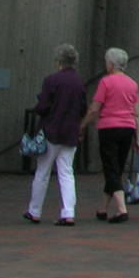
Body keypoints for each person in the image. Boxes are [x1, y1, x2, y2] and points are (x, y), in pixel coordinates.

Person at [25, 43, 88, 225]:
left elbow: (43, 107)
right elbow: (82, 108)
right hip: (70, 134)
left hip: (51, 131)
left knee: (42, 172)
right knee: (67, 173)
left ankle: (34, 211)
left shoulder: (51, 80)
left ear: (59, 61)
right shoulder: (79, 83)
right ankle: (68, 212)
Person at [78, 47, 139, 223]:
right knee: (116, 168)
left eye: (106, 62)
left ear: (111, 64)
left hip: (109, 128)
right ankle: (103, 208)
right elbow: (136, 113)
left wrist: (82, 125)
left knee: (110, 167)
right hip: (128, 128)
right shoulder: (133, 84)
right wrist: (138, 137)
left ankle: (122, 209)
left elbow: (94, 108)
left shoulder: (106, 82)